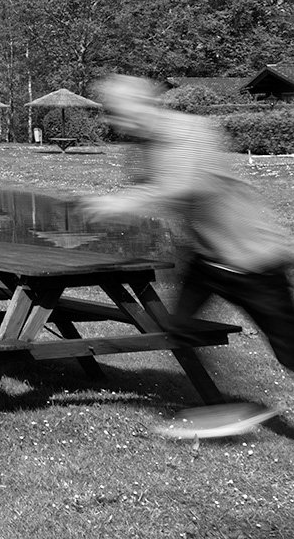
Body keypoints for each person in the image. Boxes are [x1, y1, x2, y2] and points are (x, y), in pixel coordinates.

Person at [80, 75, 294, 437]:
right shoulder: (141, 146)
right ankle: (227, 409)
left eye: (117, 110)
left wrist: (121, 202)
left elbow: (187, 185)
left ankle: (239, 408)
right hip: (207, 260)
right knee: (178, 327)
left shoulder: (191, 131)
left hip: (252, 260)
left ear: (143, 104)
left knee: (289, 351)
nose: (113, 120)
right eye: (110, 112)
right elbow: (148, 187)